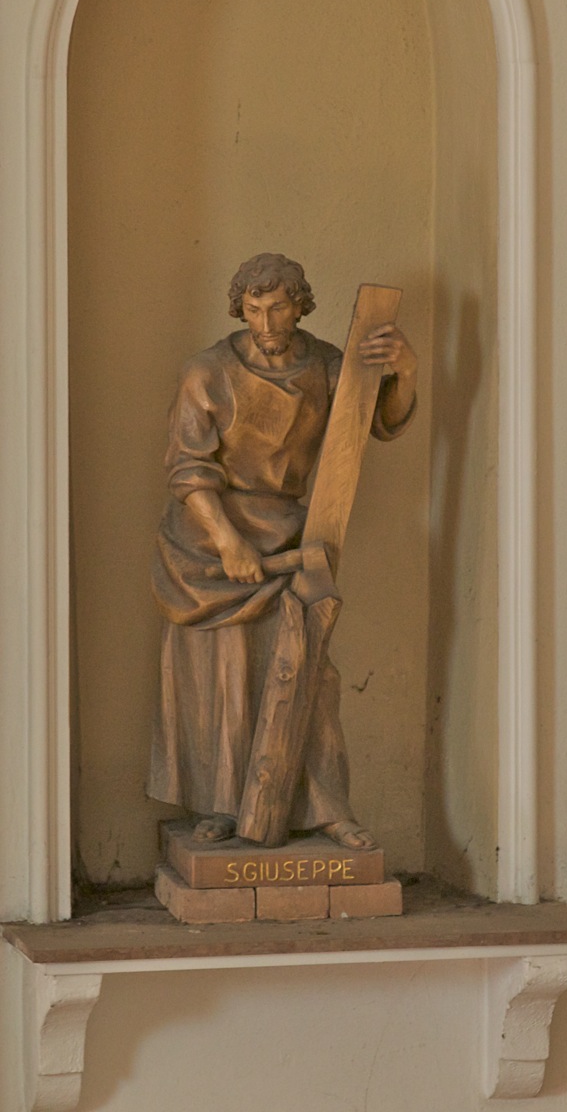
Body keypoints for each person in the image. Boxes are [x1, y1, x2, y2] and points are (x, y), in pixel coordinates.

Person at [149, 254, 417, 850]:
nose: (266, 322)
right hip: (207, 544)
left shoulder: (324, 366)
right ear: (239, 310)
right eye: (254, 309)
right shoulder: (207, 372)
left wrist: (406, 372)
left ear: (300, 306)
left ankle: (327, 808)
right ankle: (221, 805)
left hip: (290, 537)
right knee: (222, 675)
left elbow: (377, 422)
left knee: (311, 674)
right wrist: (228, 541)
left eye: (278, 308)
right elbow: (188, 469)